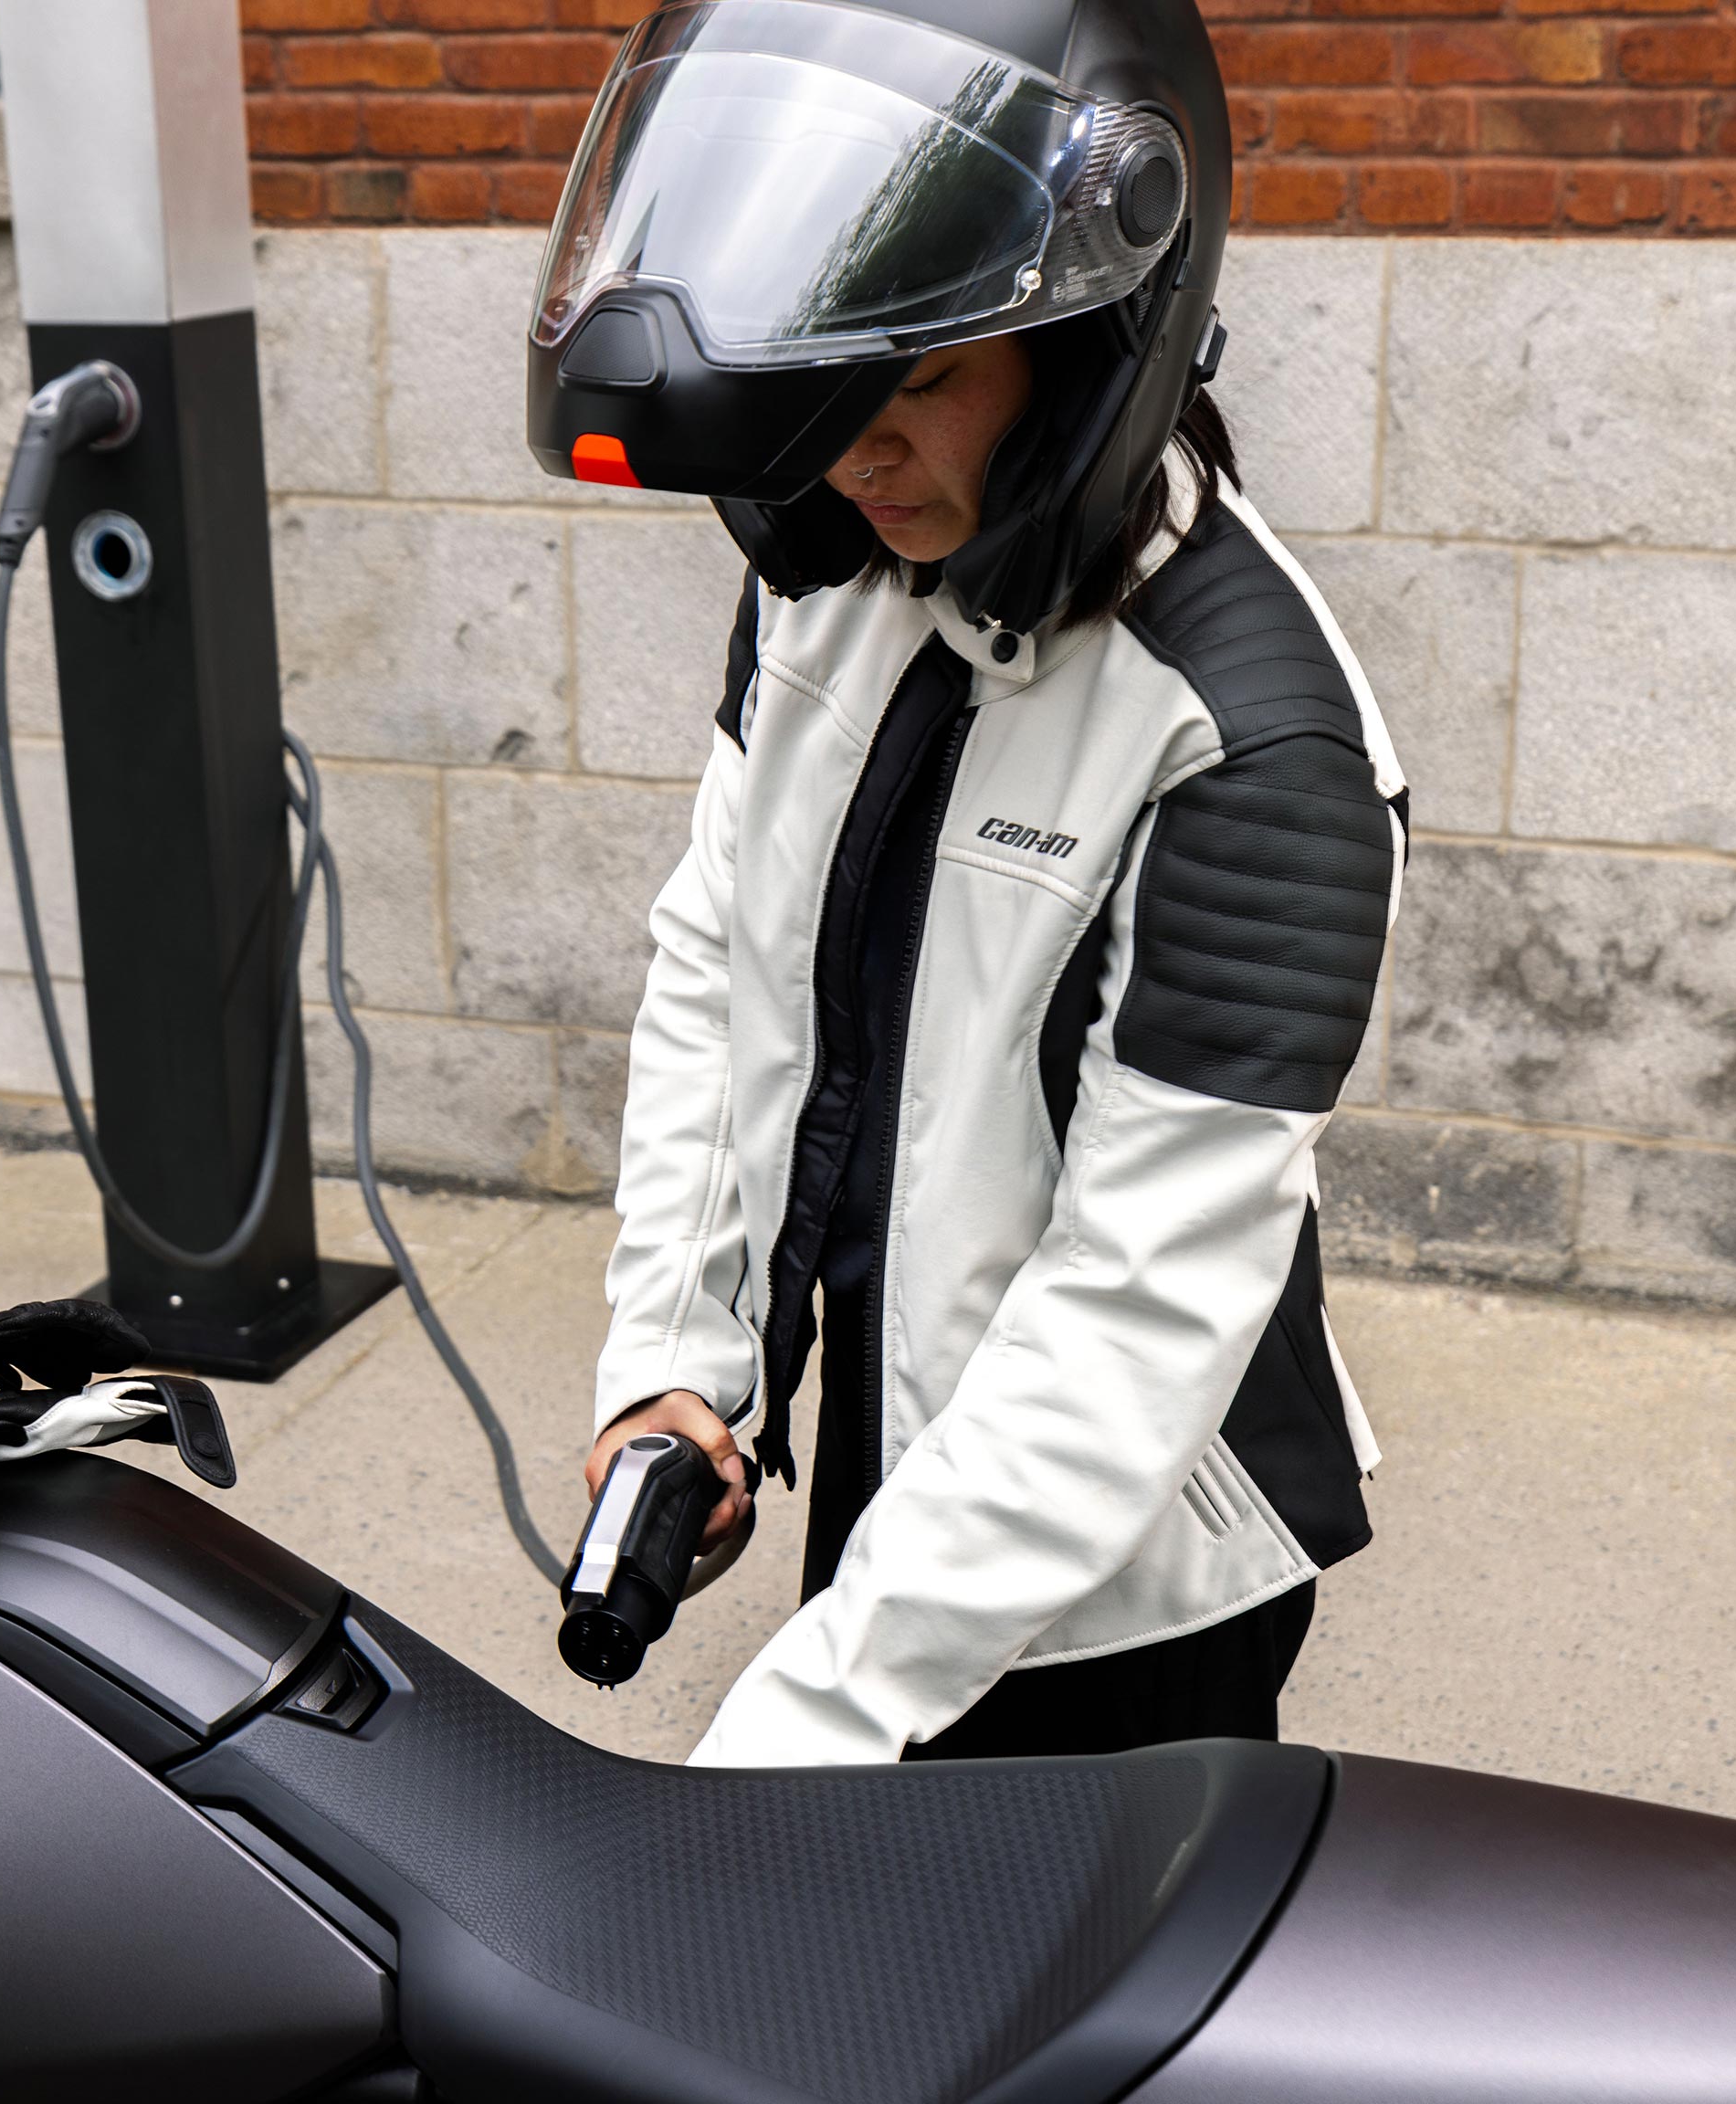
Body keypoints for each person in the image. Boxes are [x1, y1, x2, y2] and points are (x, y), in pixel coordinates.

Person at [531, 0, 1408, 1767]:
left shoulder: (1252, 742)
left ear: (1088, 345)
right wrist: (678, 1366)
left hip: (1122, 1575)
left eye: (921, 378)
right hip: (899, 1457)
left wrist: (808, 1717)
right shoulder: (828, 582)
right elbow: (725, 970)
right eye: (835, 369)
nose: (857, 452)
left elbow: (1134, 1305)